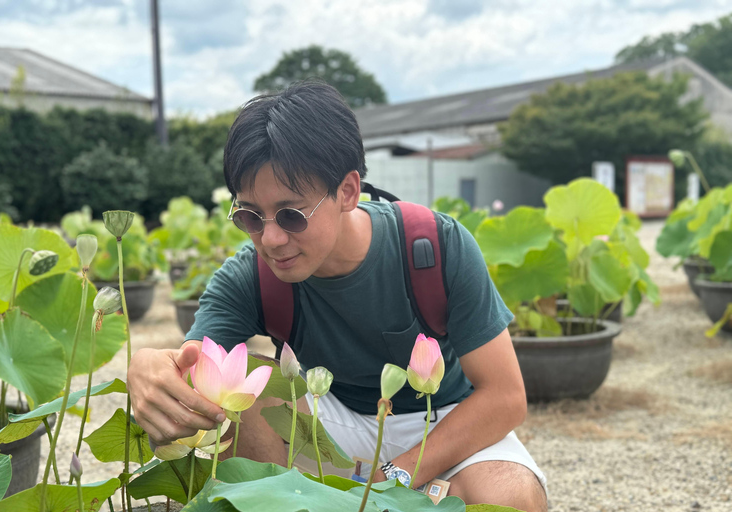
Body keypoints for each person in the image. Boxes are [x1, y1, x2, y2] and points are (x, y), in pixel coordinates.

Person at [128, 80, 547, 511]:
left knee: (510, 497)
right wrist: (149, 367)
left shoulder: (433, 247)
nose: (270, 238)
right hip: (330, 422)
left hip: (438, 419)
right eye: (250, 216)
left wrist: (398, 475)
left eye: (290, 214)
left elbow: (505, 395)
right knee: (248, 386)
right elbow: (196, 361)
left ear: (347, 191)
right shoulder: (248, 276)